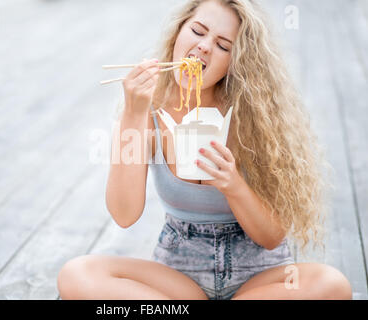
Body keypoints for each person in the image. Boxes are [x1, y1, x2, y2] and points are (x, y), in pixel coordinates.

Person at [57, 0, 352, 300]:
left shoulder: (256, 117)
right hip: (179, 279)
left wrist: (233, 185)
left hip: (258, 278)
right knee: (77, 275)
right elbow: (123, 214)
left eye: (223, 46)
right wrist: (133, 113)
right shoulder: (147, 111)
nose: (205, 47)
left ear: (237, 61)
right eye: (198, 31)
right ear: (178, 33)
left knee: (333, 284)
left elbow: (272, 237)